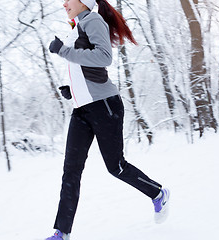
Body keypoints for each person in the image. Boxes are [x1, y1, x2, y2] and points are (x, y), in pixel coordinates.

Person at [46, 0, 170, 239]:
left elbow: (104, 58)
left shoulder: (92, 20)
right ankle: (61, 233)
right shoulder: (76, 27)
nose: (64, 3)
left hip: (104, 106)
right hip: (82, 108)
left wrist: (63, 51)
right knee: (71, 170)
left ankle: (157, 193)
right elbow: (86, 67)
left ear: (84, 2)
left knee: (116, 166)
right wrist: (73, 89)